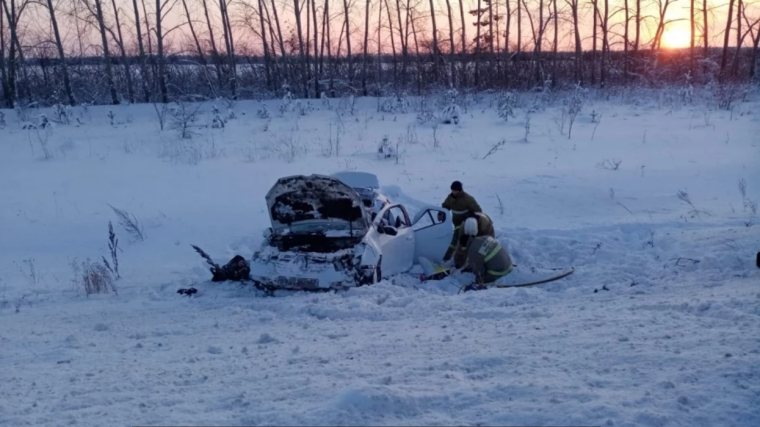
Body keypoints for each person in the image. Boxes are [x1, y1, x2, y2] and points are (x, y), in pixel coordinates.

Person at [441, 181, 482, 266]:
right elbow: (445, 206)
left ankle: (447, 257)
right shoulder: (450, 197)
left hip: (466, 224)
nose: (453, 192)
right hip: (456, 223)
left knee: (456, 240)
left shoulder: (468, 198)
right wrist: (441, 213)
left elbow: (478, 211)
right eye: (452, 190)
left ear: (460, 190)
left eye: (455, 190)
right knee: (461, 240)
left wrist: (470, 216)